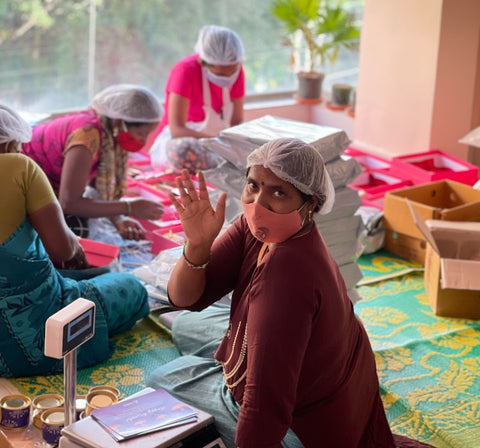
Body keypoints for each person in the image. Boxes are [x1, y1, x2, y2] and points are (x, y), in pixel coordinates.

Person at [147, 138, 438, 448]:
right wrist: (197, 245)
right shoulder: (262, 227)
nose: (258, 203)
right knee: (186, 325)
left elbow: (263, 408)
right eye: (254, 185)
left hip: (304, 428)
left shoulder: (284, 279)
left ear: (310, 202)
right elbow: (187, 298)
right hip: (330, 374)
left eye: (278, 192)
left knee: (163, 378)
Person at [0, 103, 150, 377]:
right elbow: (63, 248)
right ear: (10, 142)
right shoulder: (19, 166)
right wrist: (74, 245)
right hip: (38, 330)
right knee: (132, 287)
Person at [22, 84, 165, 240]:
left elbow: (96, 188)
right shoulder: (87, 137)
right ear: (120, 122)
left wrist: (119, 219)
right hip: (20, 187)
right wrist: (129, 208)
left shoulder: (108, 135)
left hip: (48, 187)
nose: (143, 141)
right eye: (141, 133)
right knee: (75, 229)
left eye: (147, 135)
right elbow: (69, 203)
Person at [149, 24, 245, 174]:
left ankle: (222, 169)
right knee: (183, 150)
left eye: (231, 72)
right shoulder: (185, 71)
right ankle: (222, 171)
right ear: (203, 62)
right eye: (220, 74)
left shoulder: (238, 72)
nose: (227, 79)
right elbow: (177, 130)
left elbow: (237, 122)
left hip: (217, 145)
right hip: (183, 143)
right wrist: (215, 142)